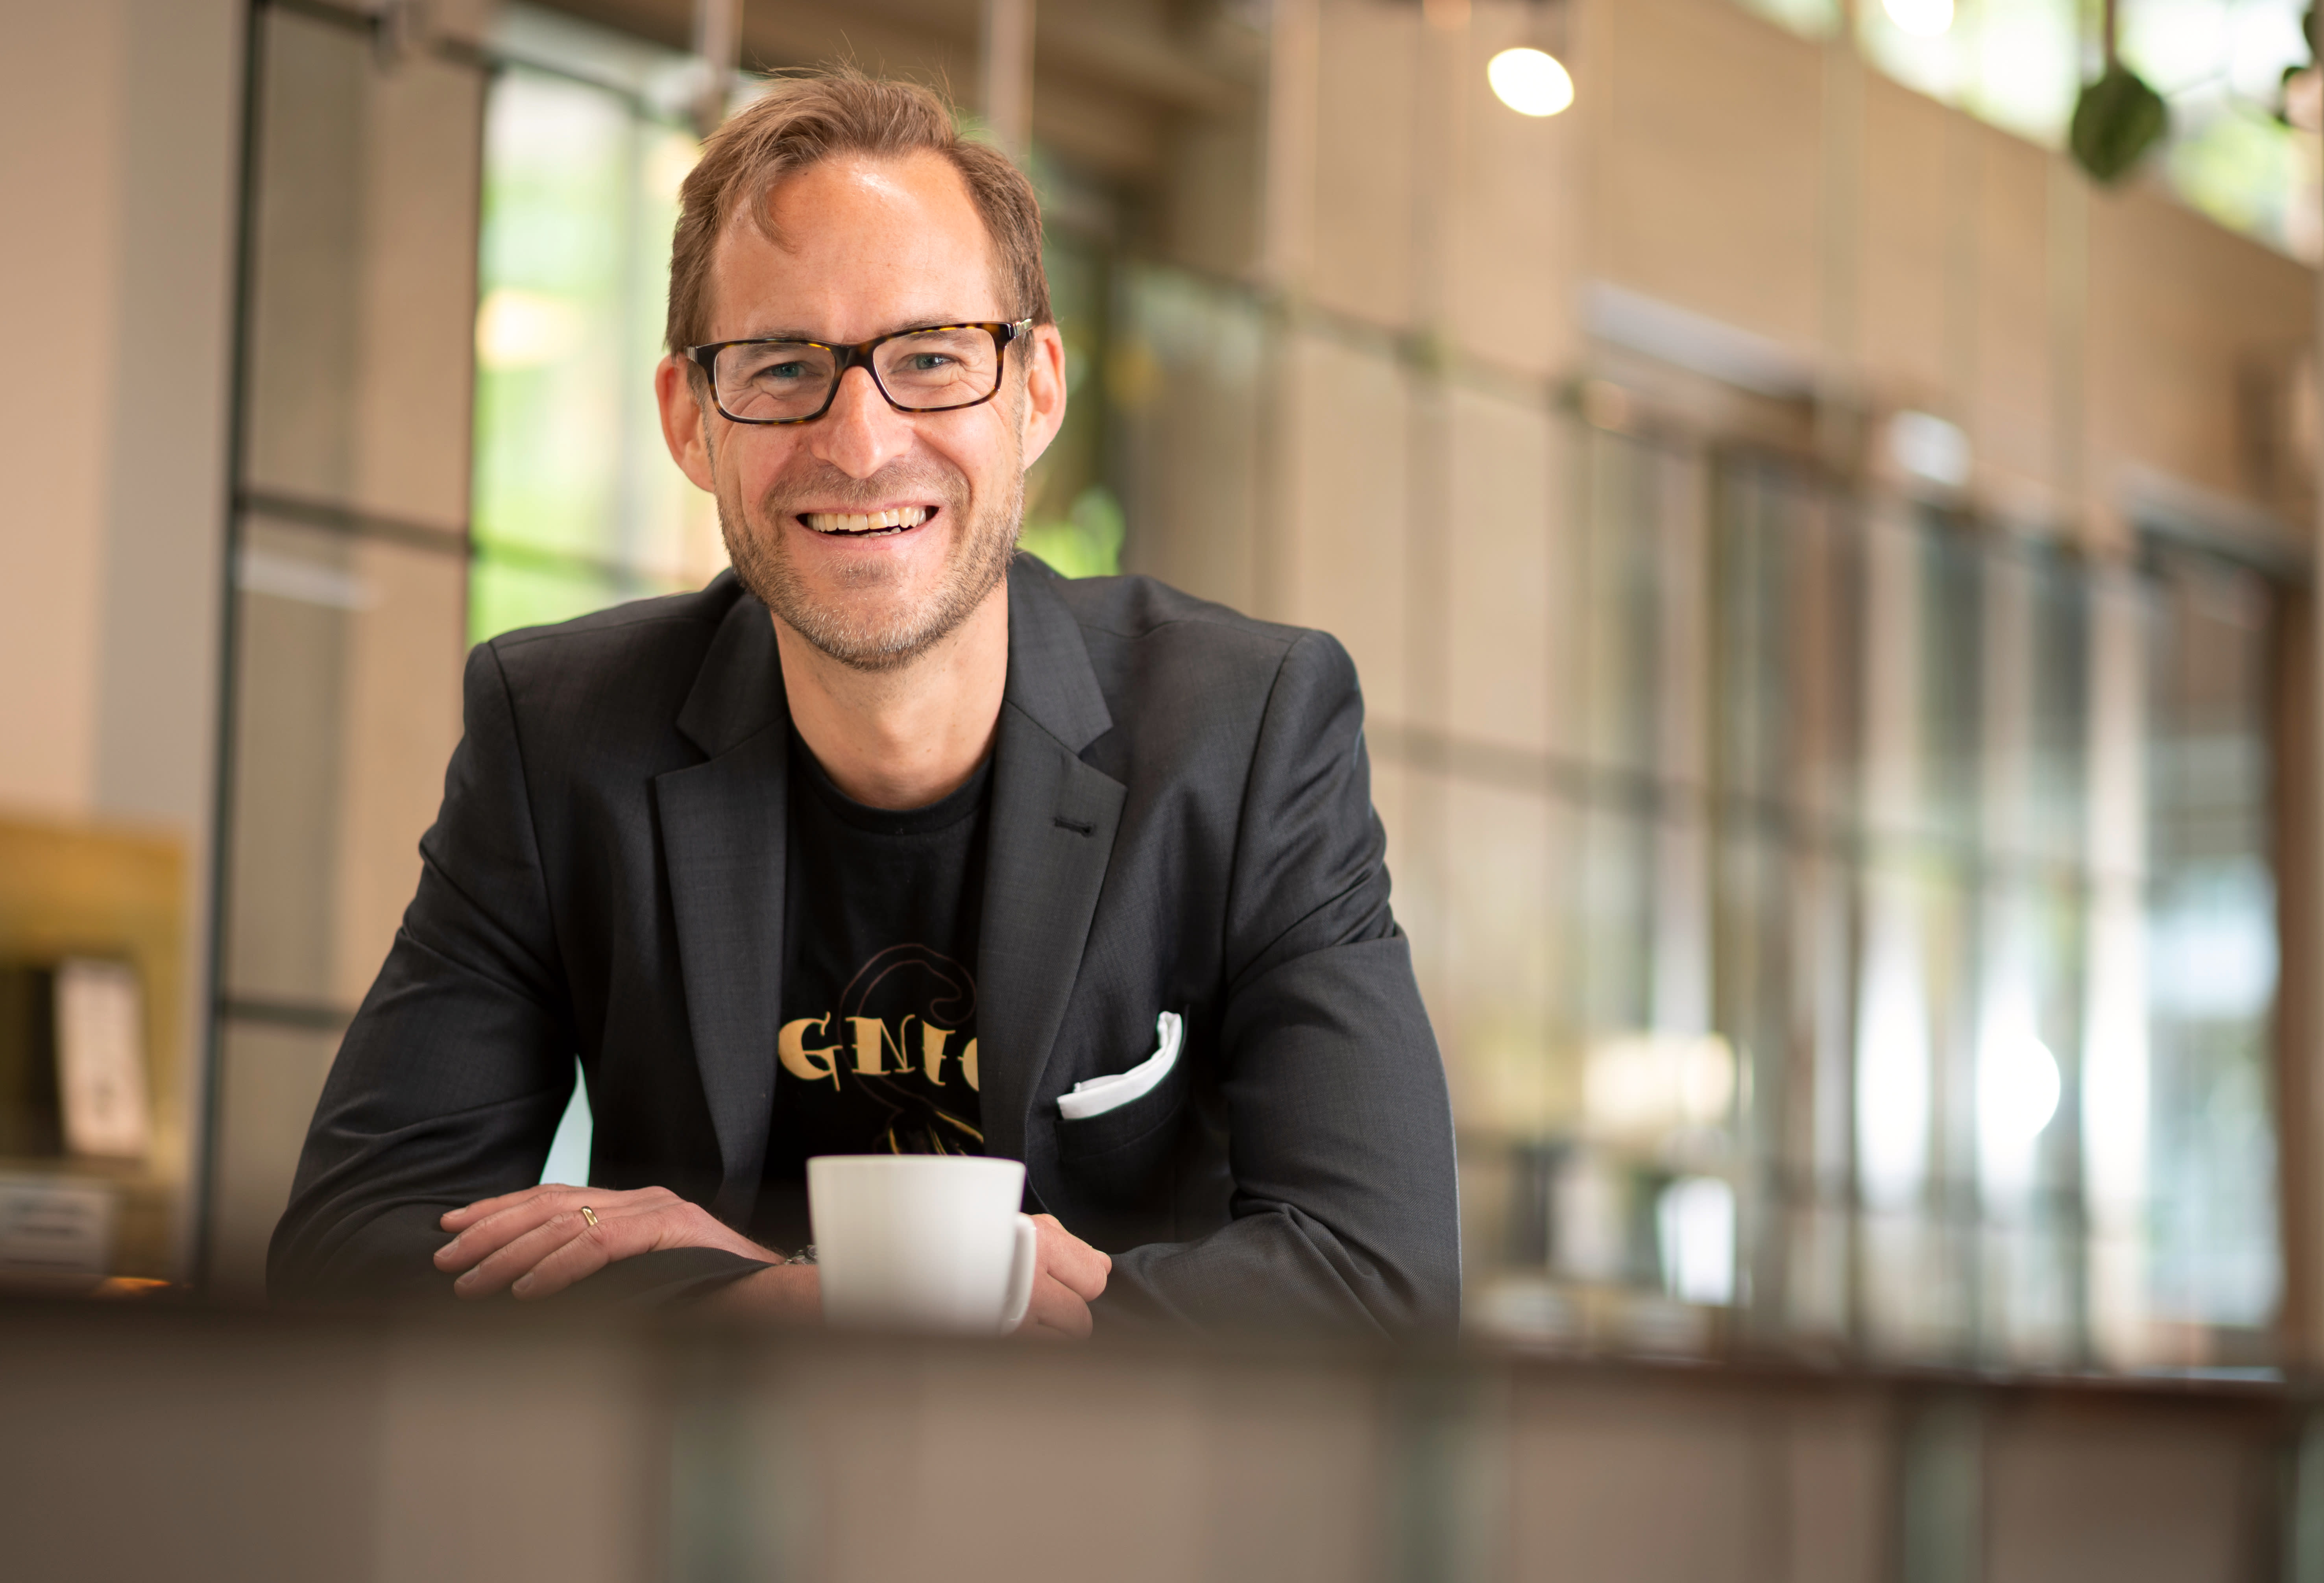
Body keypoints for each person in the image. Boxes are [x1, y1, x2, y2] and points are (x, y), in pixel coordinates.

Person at [268, 70, 1459, 1339]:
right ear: (689, 421)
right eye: (783, 367)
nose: (861, 442)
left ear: (1036, 392)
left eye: (932, 359)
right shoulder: (559, 733)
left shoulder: (1246, 733)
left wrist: (803, 1296)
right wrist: (814, 1301)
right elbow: (349, 1249)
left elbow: (1382, 1289)